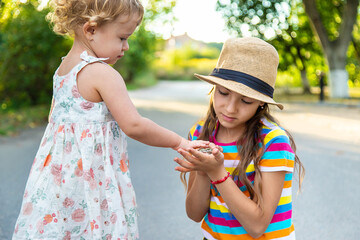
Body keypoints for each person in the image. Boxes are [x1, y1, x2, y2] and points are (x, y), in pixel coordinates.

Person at [12, 0, 207, 239]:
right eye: (123, 37)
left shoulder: (63, 69)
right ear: (91, 30)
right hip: (92, 181)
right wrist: (179, 142)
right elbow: (134, 125)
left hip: (58, 182)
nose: (125, 47)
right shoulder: (102, 73)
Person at [174, 37, 305, 240]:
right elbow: (194, 214)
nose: (230, 108)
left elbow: (257, 226)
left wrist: (216, 172)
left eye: (246, 100)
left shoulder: (272, 141)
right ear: (213, 89)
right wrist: (202, 171)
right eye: (223, 93)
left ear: (261, 104)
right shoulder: (200, 132)